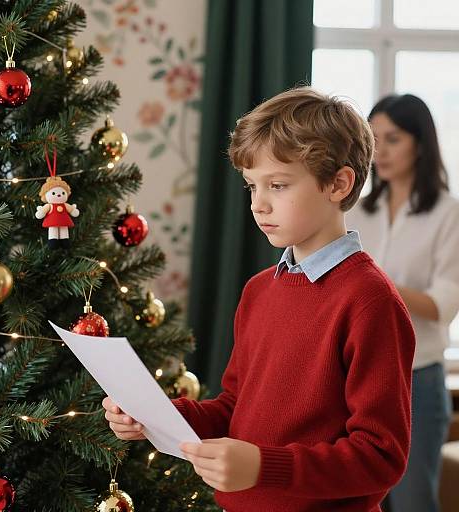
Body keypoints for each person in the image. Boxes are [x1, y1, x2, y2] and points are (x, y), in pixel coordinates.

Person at [103, 87, 416, 512]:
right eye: (252, 186)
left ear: (339, 185)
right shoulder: (259, 290)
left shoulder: (369, 300)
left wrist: (265, 467)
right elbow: (235, 410)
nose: (259, 204)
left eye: (279, 185)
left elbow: (381, 457)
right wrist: (156, 415)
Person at [347, 94, 459, 512]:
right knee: (353, 499)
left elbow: (442, 305)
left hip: (418, 383)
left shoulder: (449, 214)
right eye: (374, 139)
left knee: (414, 503)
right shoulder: (356, 214)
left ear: (421, 143)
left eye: (392, 139)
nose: (380, 151)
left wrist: (374, 283)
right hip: (357, 380)